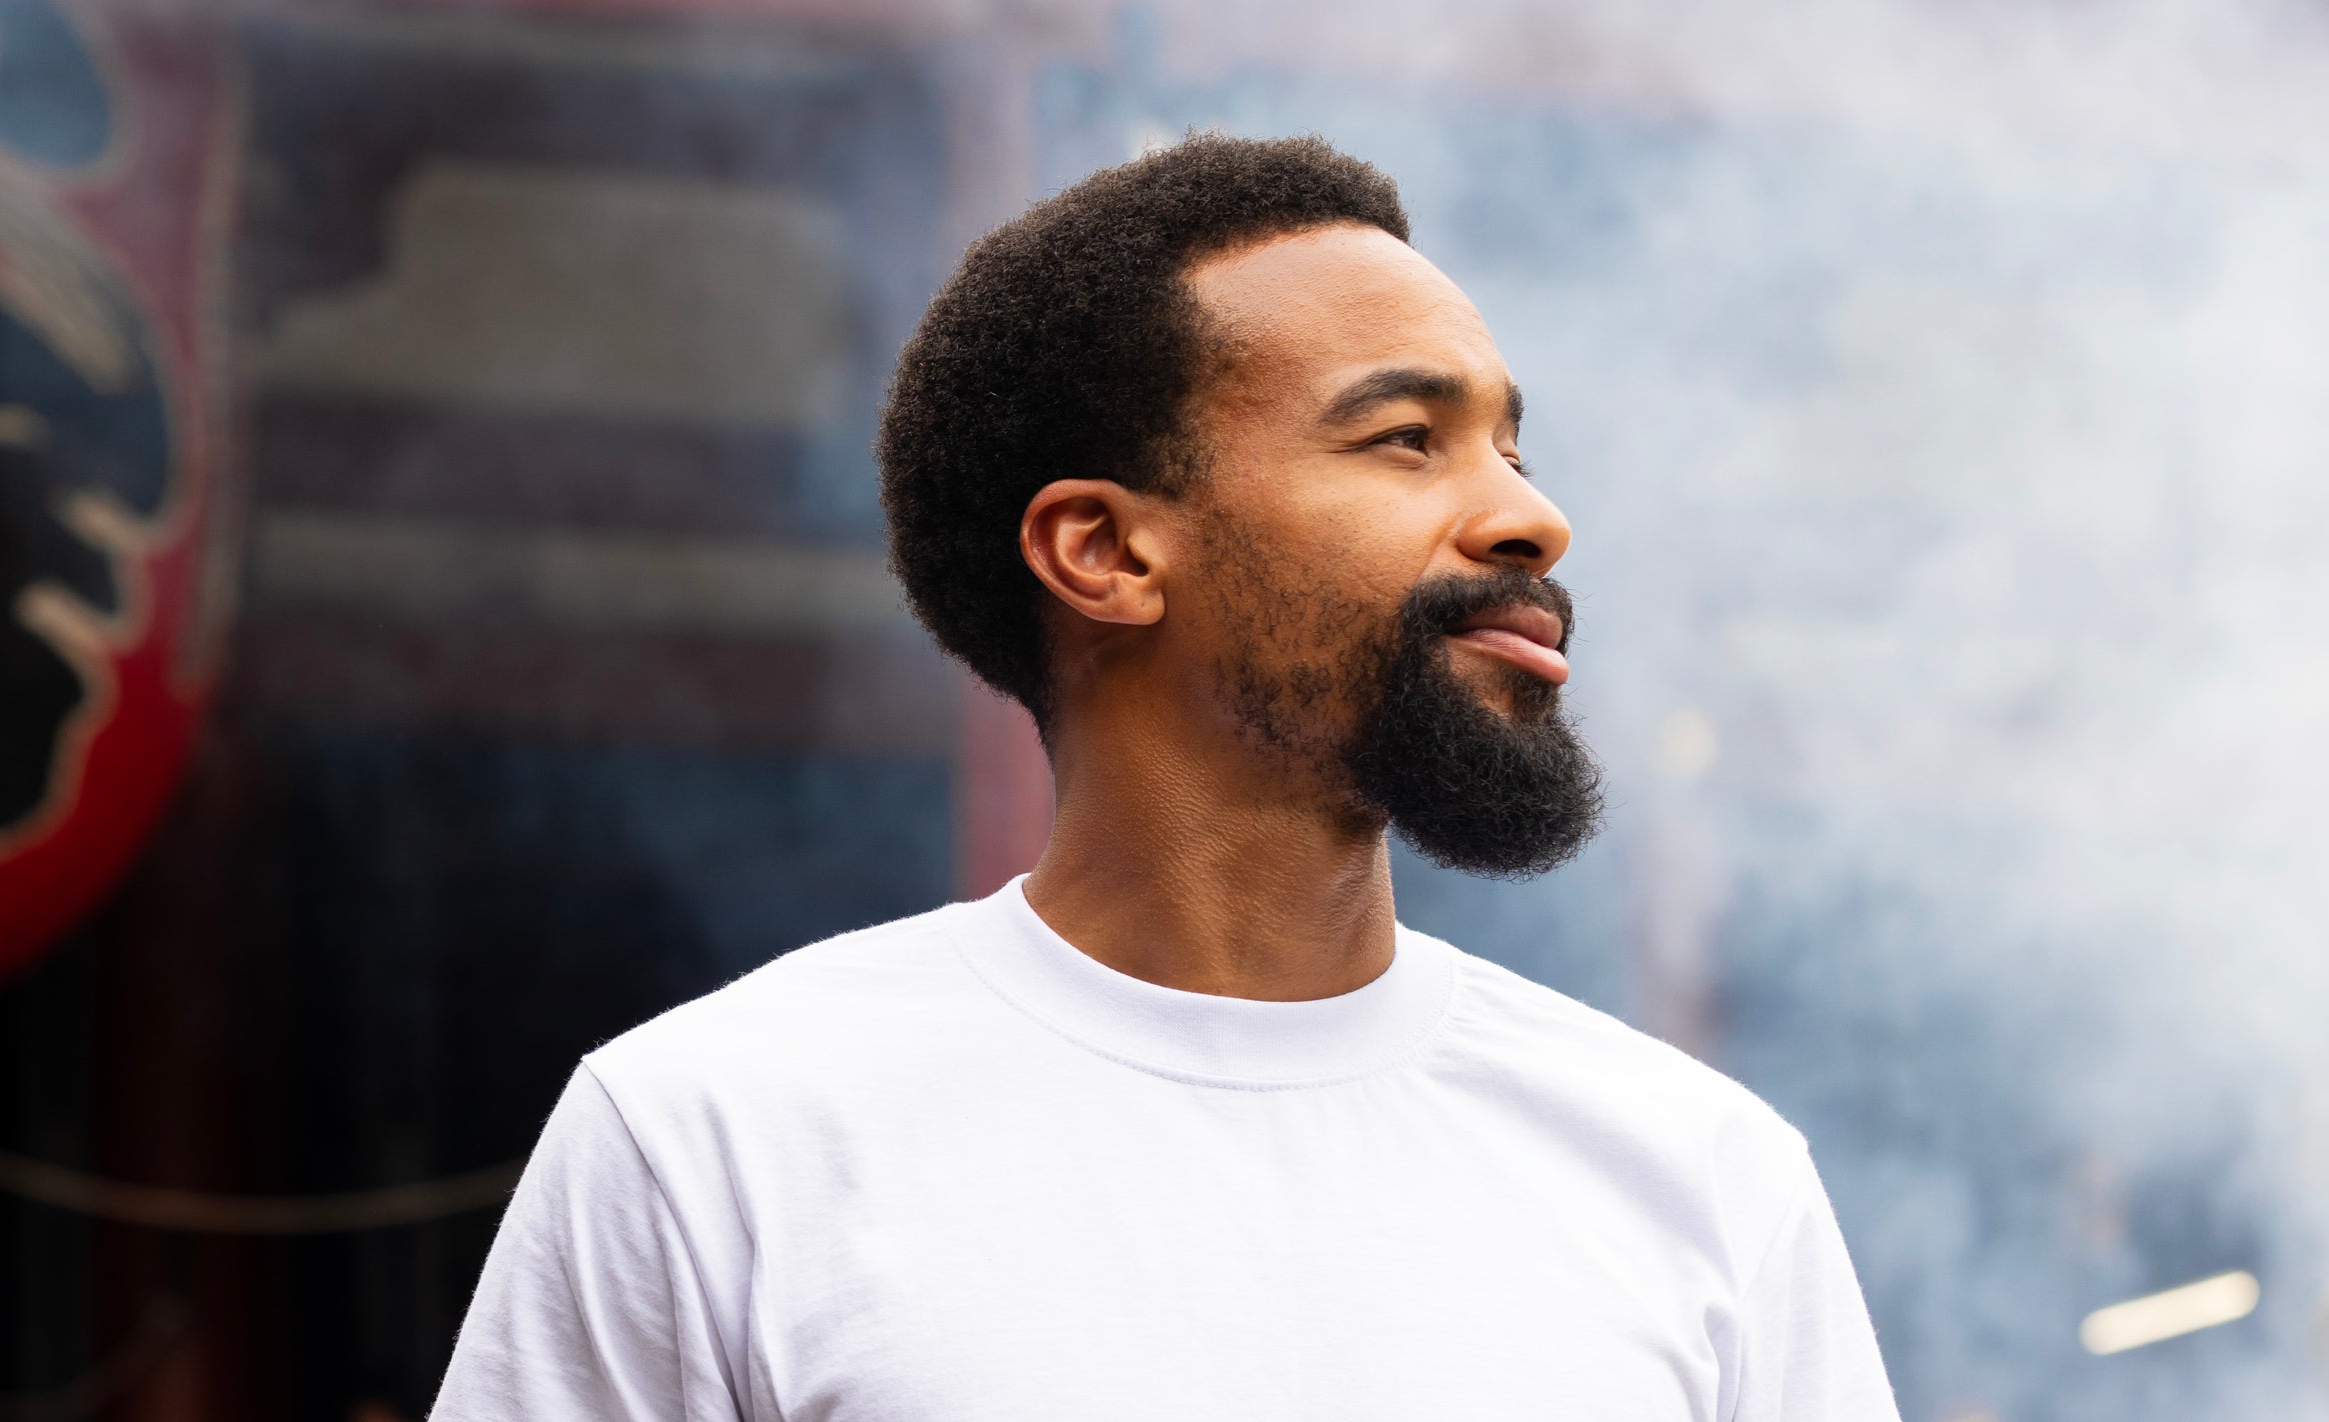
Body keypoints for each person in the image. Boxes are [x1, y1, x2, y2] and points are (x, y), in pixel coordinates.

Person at [433, 135, 1898, 1421]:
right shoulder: (719, 1135)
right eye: (1408, 440)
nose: (1532, 517)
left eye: (1510, 446)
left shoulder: (1700, 1176)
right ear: (1107, 551)